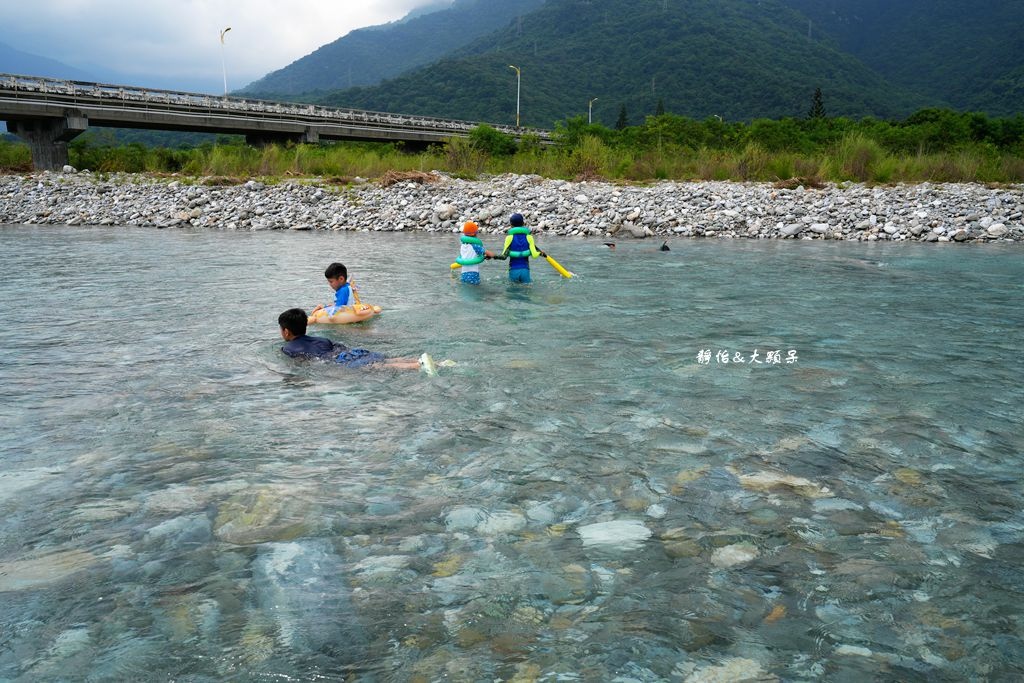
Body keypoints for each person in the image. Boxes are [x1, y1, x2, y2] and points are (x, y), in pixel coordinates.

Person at [278, 308, 435, 373]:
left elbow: (304, 364)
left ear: (286, 331)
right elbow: (339, 347)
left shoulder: (288, 349)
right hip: (351, 352)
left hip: (340, 362)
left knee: (377, 366)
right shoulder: (321, 339)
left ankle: (417, 366)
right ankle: (423, 360)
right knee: (385, 359)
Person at [495, 213, 546, 284]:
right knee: (526, 289)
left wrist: (492, 256)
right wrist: (541, 253)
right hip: (525, 270)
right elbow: (534, 254)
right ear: (523, 223)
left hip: (513, 269)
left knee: (513, 291)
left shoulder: (509, 238)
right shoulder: (529, 237)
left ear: (511, 225)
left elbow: (504, 256)